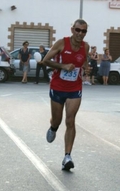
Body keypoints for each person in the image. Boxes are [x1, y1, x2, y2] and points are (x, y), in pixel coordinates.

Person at [42, 18, 90, 171]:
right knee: (57, 119)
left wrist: (86, 69)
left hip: (75, 88)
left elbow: (84, 62)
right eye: (78, 30)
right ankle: (53, 127)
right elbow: (45, 60)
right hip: (57, 86)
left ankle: (67, 156)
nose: (80, 33)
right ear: (72, 30)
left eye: (83, 31)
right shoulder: (62, 43)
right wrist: (63, 66)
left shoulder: (86, 46)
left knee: (70, 120)